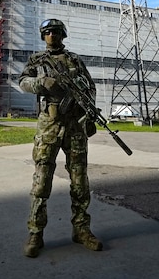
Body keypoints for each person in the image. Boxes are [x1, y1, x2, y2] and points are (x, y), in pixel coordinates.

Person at [19, 18, 102, 258]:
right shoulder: (37, 60)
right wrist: (40, 82)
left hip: (75, 126)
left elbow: (89, 88)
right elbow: (22, 82)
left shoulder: (75, 60)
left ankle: (82, 229)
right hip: (49, 126)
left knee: (79, 181)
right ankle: (36, 232)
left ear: (63, 35)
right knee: (42, 180)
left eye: (55, 32)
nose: (51, 36)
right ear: (42, 36)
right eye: (47, 32)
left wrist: (89, 115)